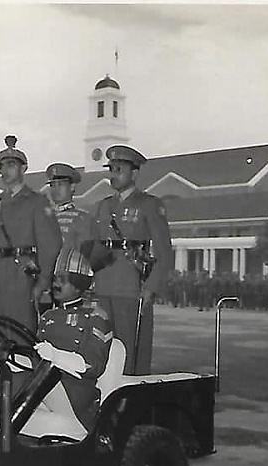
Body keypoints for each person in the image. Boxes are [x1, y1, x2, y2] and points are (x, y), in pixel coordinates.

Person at [89, 145, 172, 374]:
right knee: (102, 348)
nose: (113, 174)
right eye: (111, 169)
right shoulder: (104, 206)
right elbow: (97, 246)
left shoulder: (149, 204)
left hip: (131, 287)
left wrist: (150, 289)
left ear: (134, 173)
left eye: (119, 169)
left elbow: (164, 252)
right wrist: (93, 282)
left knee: (130, 352)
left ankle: (130, 399)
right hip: (104, 287)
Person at [0, 135, 62, 338]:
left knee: (22, 331)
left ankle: (24, 369)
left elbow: (51, 244)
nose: (5, 170)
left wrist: (43, 281)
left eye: (11, 165)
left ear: (23, 168)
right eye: (1, 166)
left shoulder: (37, 201)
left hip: (23, 271)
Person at [34, 248, 113, 433]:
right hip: (45, 387)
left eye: (64, 279)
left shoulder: (96, 317)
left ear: (79, 285)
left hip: (75, 394)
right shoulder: (48, 316)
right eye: (55, 278)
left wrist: (55, 356)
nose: (56, 284)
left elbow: (93, 365)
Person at [43, 162, 94, 253]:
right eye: (52, 185)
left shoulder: (83, 219)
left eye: (60, 184)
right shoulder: (43, 219)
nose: (55, 189)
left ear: (72, 187)